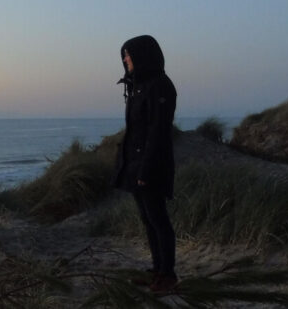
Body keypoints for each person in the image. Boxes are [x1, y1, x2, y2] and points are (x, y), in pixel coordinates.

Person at [112, 35, 178, 292]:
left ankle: (168, 274)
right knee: (147, 219)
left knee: (158, 219)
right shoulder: (138, 85)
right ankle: (157, 269)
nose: (125, 59)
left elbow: (157, 132)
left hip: (151, 164)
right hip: (135, 163)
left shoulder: (160, 85)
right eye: (124, 55)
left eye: (128, 54)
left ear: (143, 55)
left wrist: (146, 169)